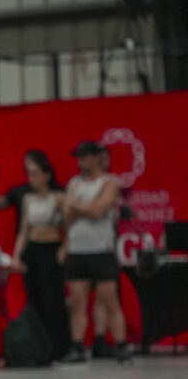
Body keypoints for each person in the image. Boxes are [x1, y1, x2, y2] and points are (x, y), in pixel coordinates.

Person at [60, 140, 130, 364]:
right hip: (78, 249)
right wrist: (83, 209)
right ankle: (78, 346)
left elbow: (99, 210)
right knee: (78, 301)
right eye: (79, 157)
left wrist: (76, 206)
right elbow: (66, 215)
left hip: (100, 249)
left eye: (85, 156)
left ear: (96, 157)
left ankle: (121, 344)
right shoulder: (75, 183)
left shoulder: (109, 182)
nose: (81, 161)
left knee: (109, 300)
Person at [10, 150, 70, 360]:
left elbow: (69, 226)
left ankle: (61, 346)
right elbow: (24, 230)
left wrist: (65, 248)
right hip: (33, 249)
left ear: (47, 175)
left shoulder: (59, 197)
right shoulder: (27, 199)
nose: (31, 179)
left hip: (51, 247)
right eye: (29, 174)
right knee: (35, 298)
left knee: (53, 298)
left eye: (35, 173)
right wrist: (16, 256)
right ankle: (41, 346)